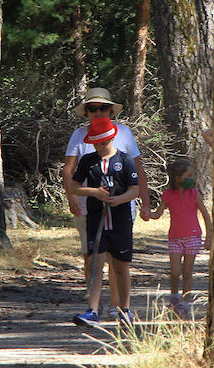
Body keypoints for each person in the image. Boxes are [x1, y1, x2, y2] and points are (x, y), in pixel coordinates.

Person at [63, 87, 149, 287]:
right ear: (86, 112)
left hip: (122, 206)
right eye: (93, 108)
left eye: (103, 108)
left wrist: (146, 203)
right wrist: (72, 197)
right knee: (91, 257)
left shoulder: (125, 133)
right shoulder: (79, 135)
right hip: (88, 207)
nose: (98, 112)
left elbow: (138, 170)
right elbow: (68, 170)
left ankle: (116, 307)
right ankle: (94, 306)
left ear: (111, 111)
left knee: (117, 260)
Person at [70, 117, 140, 327]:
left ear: (111, 139)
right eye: (95, 143)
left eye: (102, 143)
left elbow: (134, 189)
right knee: (95, 265)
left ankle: (125, 310)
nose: (98, 147)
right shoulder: (88, 161)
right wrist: (94, 192)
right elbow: (74, 187)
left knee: (121, 266)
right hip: (95, 220)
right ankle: (92, 311)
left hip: (120, 221)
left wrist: (119, 199)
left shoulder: (125, 160)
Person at [145, 156, 212, 313]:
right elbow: (158, 214)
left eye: (192, 176)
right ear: (177, 178)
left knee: (187, 272)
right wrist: (148, 215)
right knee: (175, 272)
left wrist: (209, 237)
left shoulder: (194, 194)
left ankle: (186, 302)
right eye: (187, 176)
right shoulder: (168, 195)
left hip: (193, 237)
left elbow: (206, 215)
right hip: (175, 238)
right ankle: (174, 296)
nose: (191, 179)